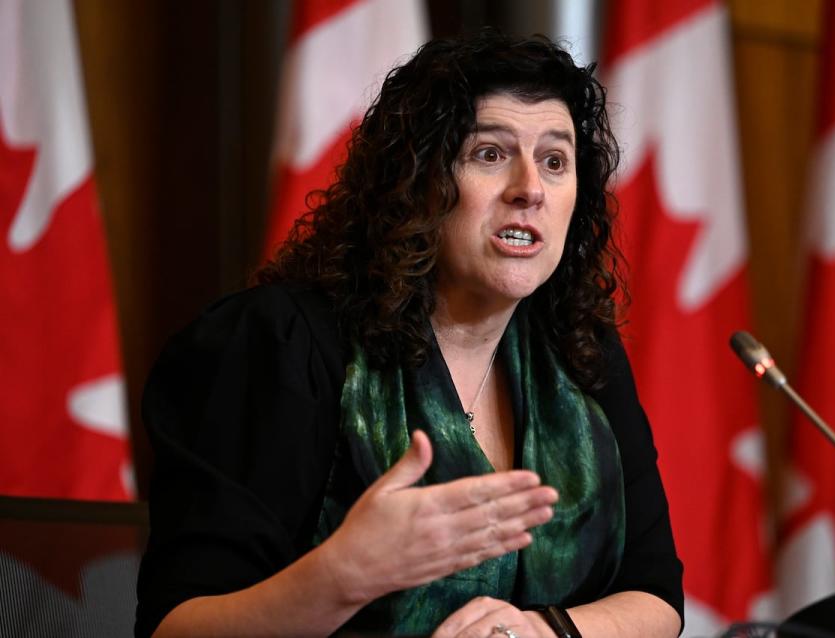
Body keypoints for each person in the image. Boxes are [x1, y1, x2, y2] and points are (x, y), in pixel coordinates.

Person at [135, 31, 683, 638]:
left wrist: (542, 632)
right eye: (490, 154)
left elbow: (657, 597)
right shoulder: (283, 345)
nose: (530, 188)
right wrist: (342, 576)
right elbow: (175, 628)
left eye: (555, 161)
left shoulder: (579, 355)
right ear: (420, 182)